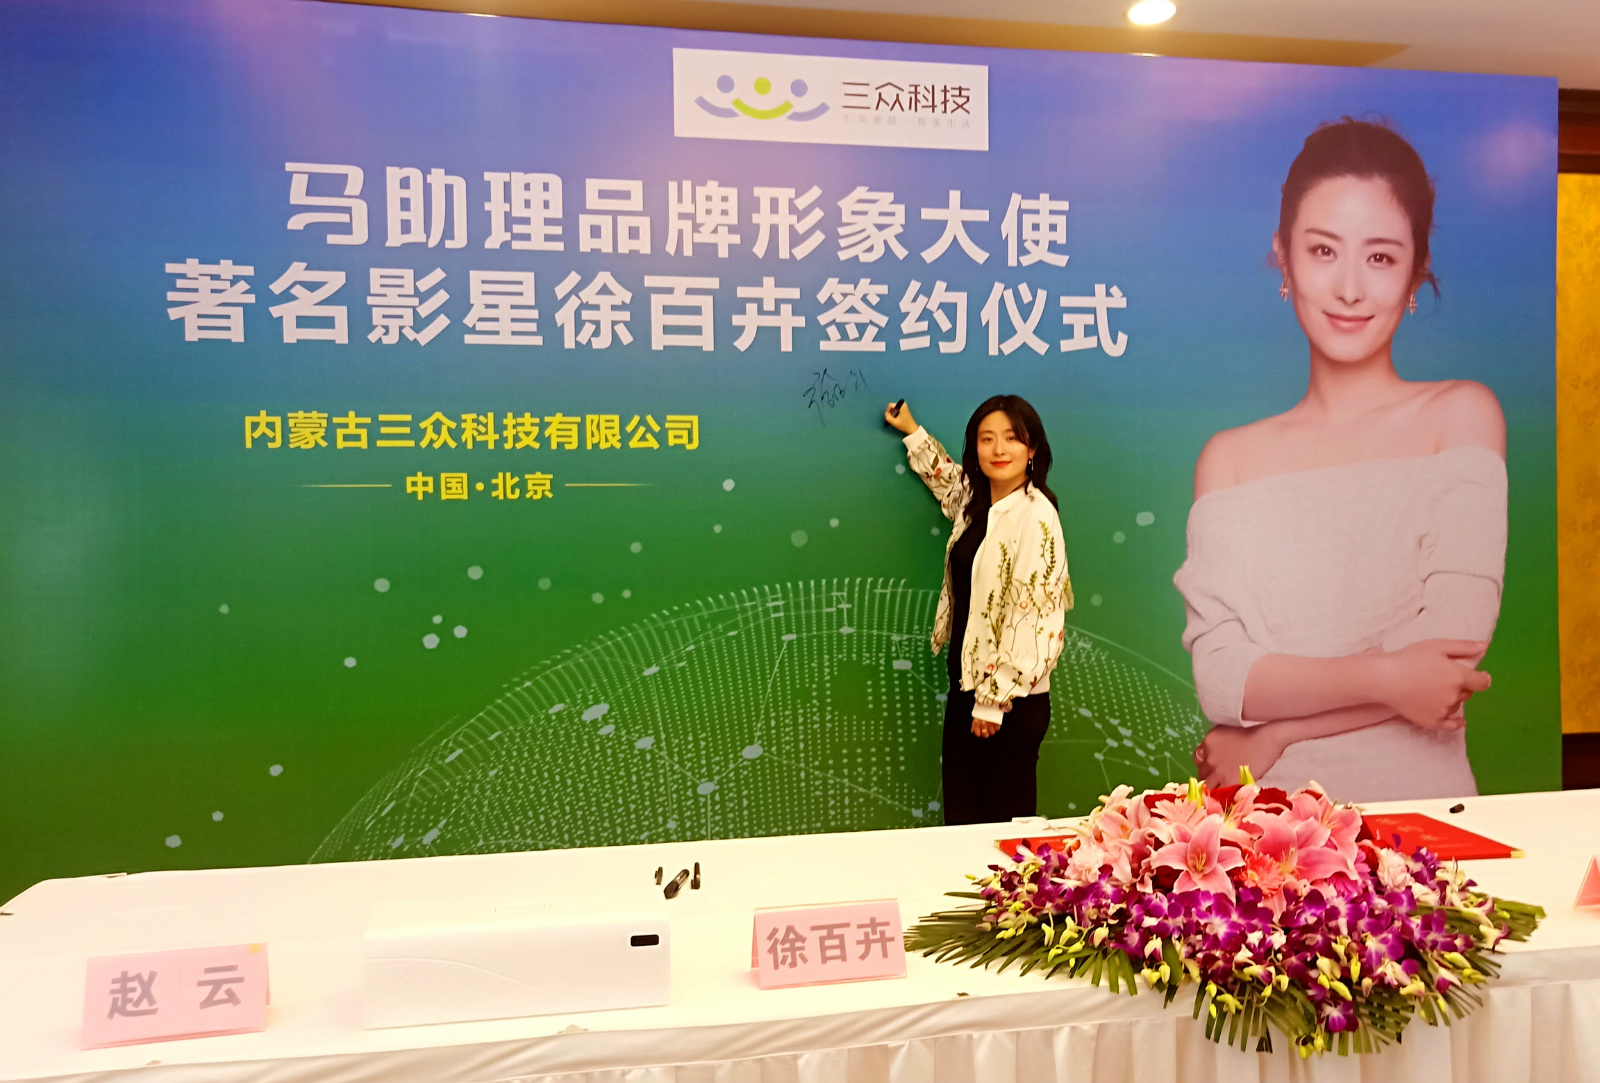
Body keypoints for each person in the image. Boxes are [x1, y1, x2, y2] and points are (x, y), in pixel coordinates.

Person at [1174, 117, 1506, 803]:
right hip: (1266, 829)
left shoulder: (1460, 415)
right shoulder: (1229, 459)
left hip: (1425, 822)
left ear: (1416, 270)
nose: (1350, 288)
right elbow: (1222, 679)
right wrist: (1390, 676)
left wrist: (1276, 732)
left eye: (1380, 257)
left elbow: (1449, 655)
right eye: (1324, 250)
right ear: (1284, 256)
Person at [885, 395, 1073, 824]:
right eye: (987, 439)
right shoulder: (977, 502)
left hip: (1007, 704)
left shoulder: (1037, 517)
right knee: (961, 826)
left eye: (1011, 438)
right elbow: (947, 481)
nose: (999, 449)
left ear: (1032, 448)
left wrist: (993, 701)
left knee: (1000, 835)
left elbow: (1035, 617)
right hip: (966, 688)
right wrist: (912, 432)